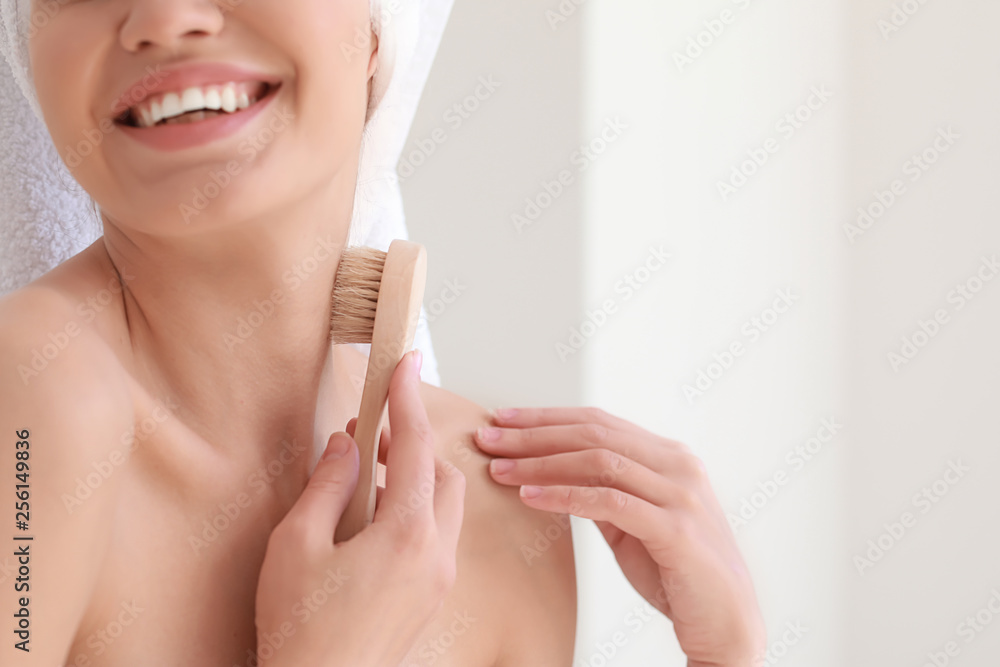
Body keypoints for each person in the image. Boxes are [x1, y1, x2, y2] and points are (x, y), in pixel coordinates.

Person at [0, 1, 765, 665]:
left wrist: (723, 659)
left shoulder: (494, 505)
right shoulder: (35, 398)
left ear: (378, 30)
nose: (165, 17)